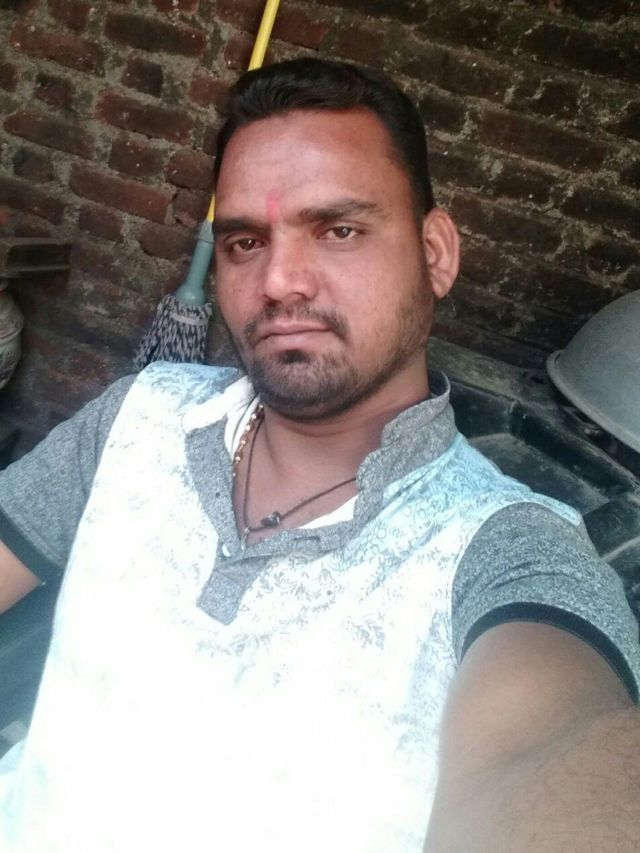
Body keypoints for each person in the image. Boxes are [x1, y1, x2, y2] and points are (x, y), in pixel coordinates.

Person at [0, 58, 638, 853]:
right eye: (244, 241)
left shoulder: (508, 552)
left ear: (436, 252)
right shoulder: (141, 414)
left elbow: (561, 754)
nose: (279, 281)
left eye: (338, 230)